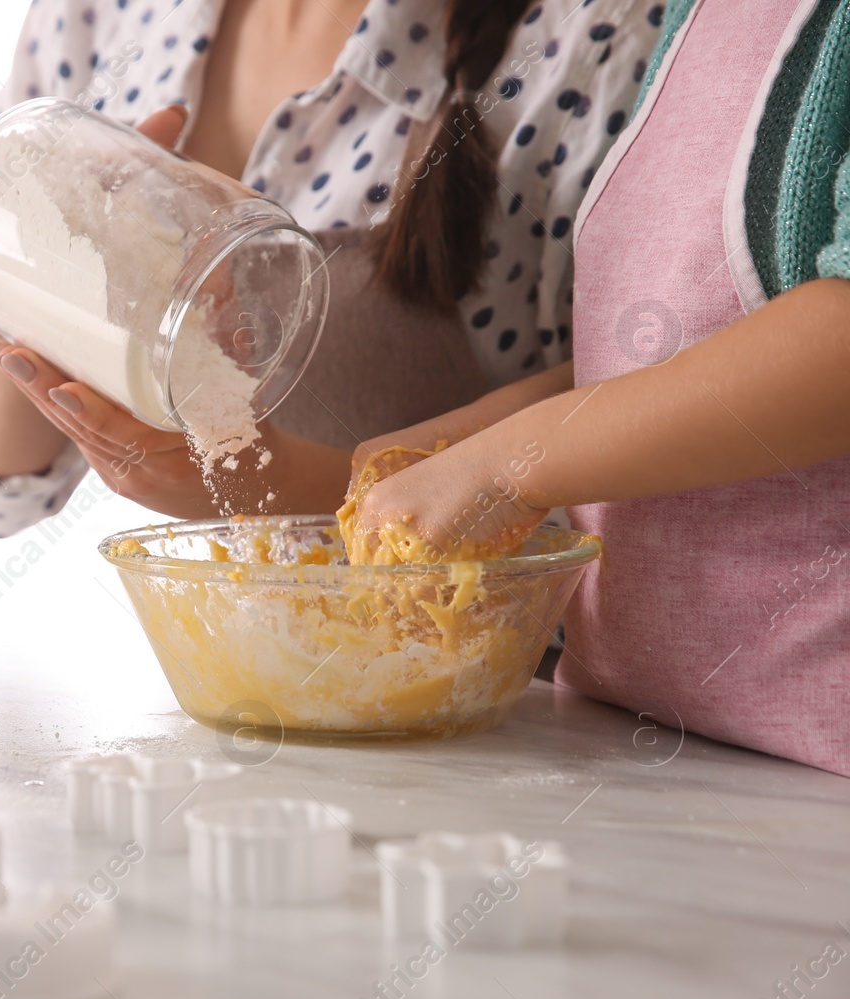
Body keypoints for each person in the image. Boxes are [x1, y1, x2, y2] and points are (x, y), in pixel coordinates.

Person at [0, 0, 662, 535]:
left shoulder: (598, 39)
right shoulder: (115, 12)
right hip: (222, 697)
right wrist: (15, 270)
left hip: (477, 723)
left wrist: (284, 484)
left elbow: (644, 455)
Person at [347, 0, 850, 775]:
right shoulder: (694, 15)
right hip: (627, 739)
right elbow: (664, 356)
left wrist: (513, 464)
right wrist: (475, 437)